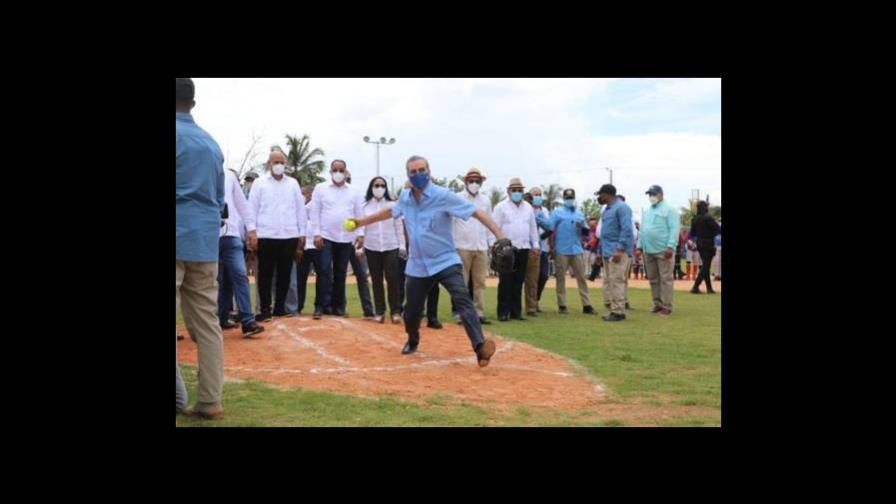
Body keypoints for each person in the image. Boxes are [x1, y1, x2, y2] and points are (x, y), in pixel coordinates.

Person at [346, 155, 504, 367]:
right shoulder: (405, 197)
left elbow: (477, 213)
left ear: (429, 171)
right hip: (418, 265)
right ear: (408, 175)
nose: (418, 174)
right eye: (413, 171)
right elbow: (391, 211)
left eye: (422, 170)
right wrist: (362, 222)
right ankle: (413, 339)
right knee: (411, 313)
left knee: (463, 300)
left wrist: (500, 237)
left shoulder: (443, 195)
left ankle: (480, 348)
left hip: (445, 260)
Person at [175, 77, 225, 420]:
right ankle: (210, 402)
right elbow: (219, 199)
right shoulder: (210, 142)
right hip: (205, 242)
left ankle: (178, 398)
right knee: (208, 325)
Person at [247, 150, 306, 321]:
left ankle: (280, 307)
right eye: (275, 162)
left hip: (289, 235)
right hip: (266, 235)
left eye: (282, 162)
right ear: (269, 163)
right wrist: (252, 231)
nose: (279, 165)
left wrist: (301, 234)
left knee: (285, 274)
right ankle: (265, 308)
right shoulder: (259, 183)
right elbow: (252, 209)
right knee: (265, 274)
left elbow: (300, 209)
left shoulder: (293, 183)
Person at [309, 160, 367, 318]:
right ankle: (320, 306)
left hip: (346, 238)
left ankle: (338, 307)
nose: (338, 173)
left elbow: (359, 214)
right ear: (330, 171)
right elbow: (315, 212)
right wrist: (316, 233)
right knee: (324, 271)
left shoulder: (354, 191)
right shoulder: (321, 189)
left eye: (341, 170)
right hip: (326, 237)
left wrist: (360, 233)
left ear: (346, 172)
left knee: (341, 273)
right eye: (335, 170)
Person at [217, 168, 265, 337]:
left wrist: (251, 229)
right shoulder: (199, 172)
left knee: (239, 275)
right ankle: (219, 318)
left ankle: (247, 321)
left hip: (231, 235)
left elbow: (242, 204)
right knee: (220, 281)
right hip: (207, 235)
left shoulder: (229, 176)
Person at [492, 178, 541, 322]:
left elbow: (532, 228)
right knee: (505, 281)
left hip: (524, 247)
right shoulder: (501, 207)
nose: (517, 192)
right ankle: (503, 312)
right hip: (506, 249)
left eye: (520, 190)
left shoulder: (528, 208)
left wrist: (536, 245)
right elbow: (494, 226)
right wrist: (493, 245)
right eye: (514, 190)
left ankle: (516, 312)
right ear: (508, 191)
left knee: (519, 281)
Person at [451, 167, 495, 324]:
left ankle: (479, 313)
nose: (474, 183)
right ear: (465, 182)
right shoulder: (457, 198)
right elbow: (452, 222)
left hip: (481, 246)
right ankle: (461, 314)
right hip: (462, 246)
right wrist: (452, 244)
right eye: (471, 181)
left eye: (477, 181)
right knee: (461, 282)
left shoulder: (486, 200)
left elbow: (489, 222)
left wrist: (491, 243)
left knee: (480, 282)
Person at [361, 176, 406, 323]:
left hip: (390, 245)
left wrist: (402, 245)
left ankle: (396, 311)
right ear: (371, 187)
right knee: (376, 280)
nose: (379, 188)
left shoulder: (393, 206)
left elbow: (399, 227)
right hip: (372, 246)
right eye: (376, 185)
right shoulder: (365, 207)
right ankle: (380, 312)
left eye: (382, 185)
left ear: (386, 188)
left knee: (392, 278)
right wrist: (360, 247)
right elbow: (362, 228)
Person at [548, 188, 597, 315]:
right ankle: (562, 305)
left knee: (581, 278)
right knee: (560, 279)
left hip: (576, 249)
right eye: (567, 198)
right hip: (561, 249)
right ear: (564, 199)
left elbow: (586, 231)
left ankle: (587, 305)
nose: (570, 200)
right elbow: (550, 230)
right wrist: (551, 247)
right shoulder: (557, 212)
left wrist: (582, 227)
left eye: (571, 198)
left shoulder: (579, 214)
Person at [638, 185, 680, 315]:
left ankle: (666, 306)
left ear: (661, 194)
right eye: (650, 194)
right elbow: (643, 229)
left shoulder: (670, 210)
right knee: (653, 278)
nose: (651, 197)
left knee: (665, 278)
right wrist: (639, 246)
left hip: (663, 249)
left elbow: (674, 229)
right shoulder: (647, 211)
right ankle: (657, 304)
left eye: (654, 194)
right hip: (648, 249)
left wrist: (671, 246)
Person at [595, 184, 634, 322]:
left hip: (617, 251)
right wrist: (600, 252)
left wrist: (619, 249)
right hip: (607, 250)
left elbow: (626, 229)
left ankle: (618, 311)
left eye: (601, 195)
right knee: (610, 281)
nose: (599, 198)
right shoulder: (607, 209)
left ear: (607, 194)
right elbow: (605, 233)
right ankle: (614, 309)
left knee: (617, 281)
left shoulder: (622, 208)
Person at [345, 169, 375, 319]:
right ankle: (340, 308)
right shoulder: (333, 198)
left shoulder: (357, 198)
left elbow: (362, 222)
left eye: (348, 178)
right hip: (341, 243)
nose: (346, 180)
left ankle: (368, 310)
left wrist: (361, 243)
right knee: (338, 276)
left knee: (362, 276)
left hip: (356, 243)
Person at [297, 186, 325, 317]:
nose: (301, 195)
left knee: (322, 276)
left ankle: (319, 306)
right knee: (300, 278)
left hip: (317, 246)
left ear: (310, 194)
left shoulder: (318, 206)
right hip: (303, 247)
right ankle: (298, 306)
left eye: (303, 193)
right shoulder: (299, 207)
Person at [524, 187, 551, 316]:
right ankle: (528, 305)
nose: (538, 197)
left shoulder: (543, 211)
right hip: (524, 247)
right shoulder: (524, 209)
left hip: (541, 248)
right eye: (535, 195)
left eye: (540, 194)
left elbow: (550, 227)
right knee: (523, 278)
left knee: (543, 275)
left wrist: (539, 238)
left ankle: (534, 302)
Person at [690, 200, 722, 294]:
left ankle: (709, 288)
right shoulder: (708, 218)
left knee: (706, 266)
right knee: (705, 266)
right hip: (708, 242)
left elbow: (693, 233)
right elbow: (718, 229)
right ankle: (695, 286)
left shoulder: (695, 218)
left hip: (699, 242)